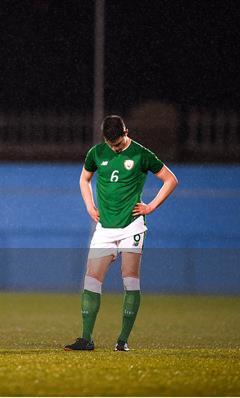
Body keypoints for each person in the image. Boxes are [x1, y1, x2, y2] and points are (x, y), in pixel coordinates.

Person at [65, 115, 178, 352]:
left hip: (131, 226)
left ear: (126, 132)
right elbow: (84, 178)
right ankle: (86, 339)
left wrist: (151, 206)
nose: (114, 148)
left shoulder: (141, 154)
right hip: (104, 228)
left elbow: (170, 179)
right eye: (110, 144)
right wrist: (89, 205)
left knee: (130, 280)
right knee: (91, 281)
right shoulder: (96, 153)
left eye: (117, 143)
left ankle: (122, 340)